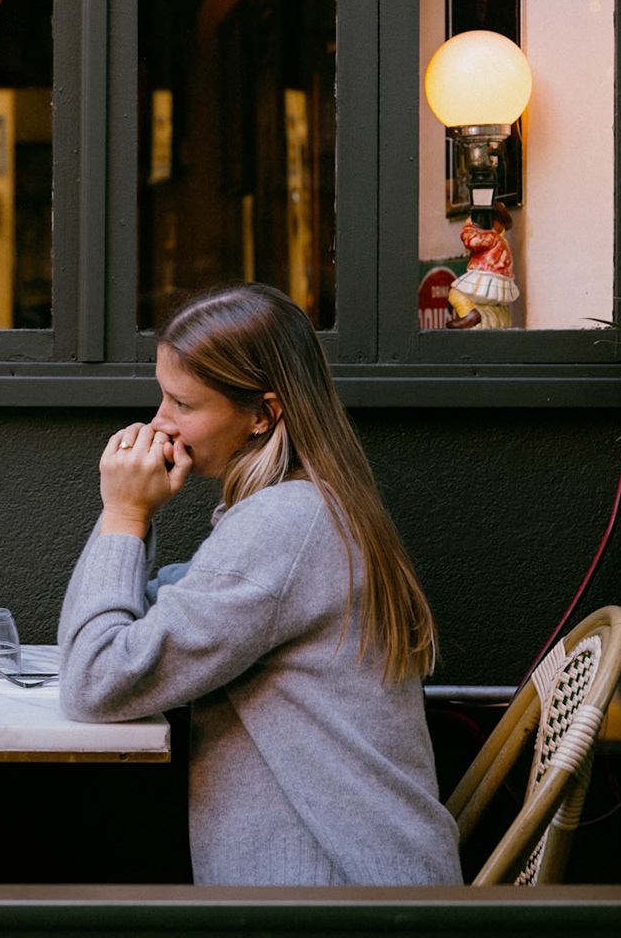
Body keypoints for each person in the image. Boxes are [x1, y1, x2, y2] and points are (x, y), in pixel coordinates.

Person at [58, 283, 460, 886]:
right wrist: (129, 518)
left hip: (339, 900)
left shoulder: (284, 526)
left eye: (182, 404)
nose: (159, 423)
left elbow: (93, 682)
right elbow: (121, 623)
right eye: (162, 397)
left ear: (263, 415)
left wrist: (124, 515)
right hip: (341, 884)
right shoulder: (301, 509)